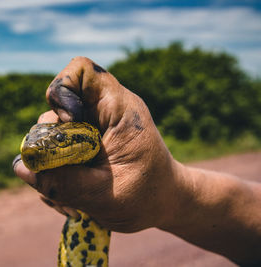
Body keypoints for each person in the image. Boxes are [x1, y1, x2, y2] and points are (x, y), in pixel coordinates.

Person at [13, 56, 261, 266]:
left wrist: (167, 194)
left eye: (59, 140)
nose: (37, 147)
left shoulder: (89, 140)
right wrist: (175, 192)